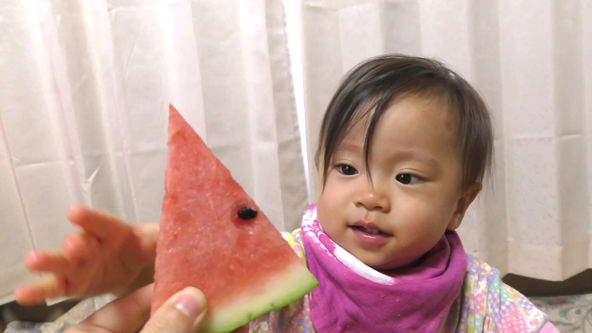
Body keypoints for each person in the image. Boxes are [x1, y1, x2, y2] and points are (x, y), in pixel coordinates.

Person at [15, 54, 558, 332]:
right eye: (347, 168)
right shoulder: (290, 258)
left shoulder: (472, 291)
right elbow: (195, 295)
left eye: (406, 177)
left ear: (460, 205)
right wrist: (142, 270)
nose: (370, 196)